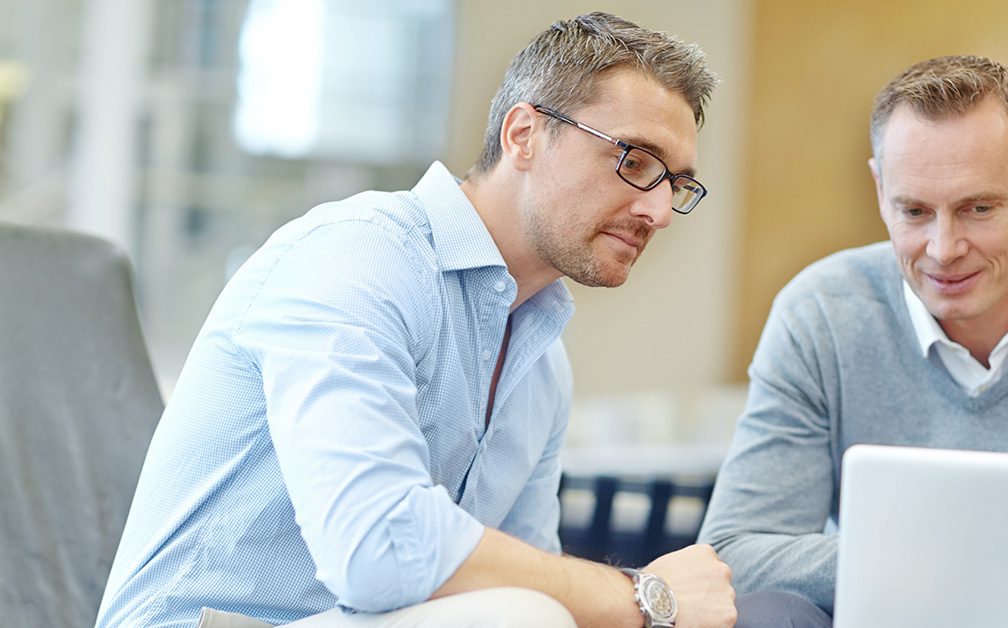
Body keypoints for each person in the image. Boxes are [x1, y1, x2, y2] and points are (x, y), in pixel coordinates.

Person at [96, 12, 750, 628]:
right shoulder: (356, 255)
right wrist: (648, 598)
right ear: (523, 135)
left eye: (678, 184)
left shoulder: (542, 361)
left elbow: (533, 577)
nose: (659, 212)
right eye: (635, 161)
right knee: (522, 616)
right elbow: (378, 546)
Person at [698, 54, 1008, 623]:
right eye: (913, 211)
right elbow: (733, 554)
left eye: (977, 208)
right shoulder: (822, 315)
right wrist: (949, 560)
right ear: (879, 188)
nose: (943, 248)